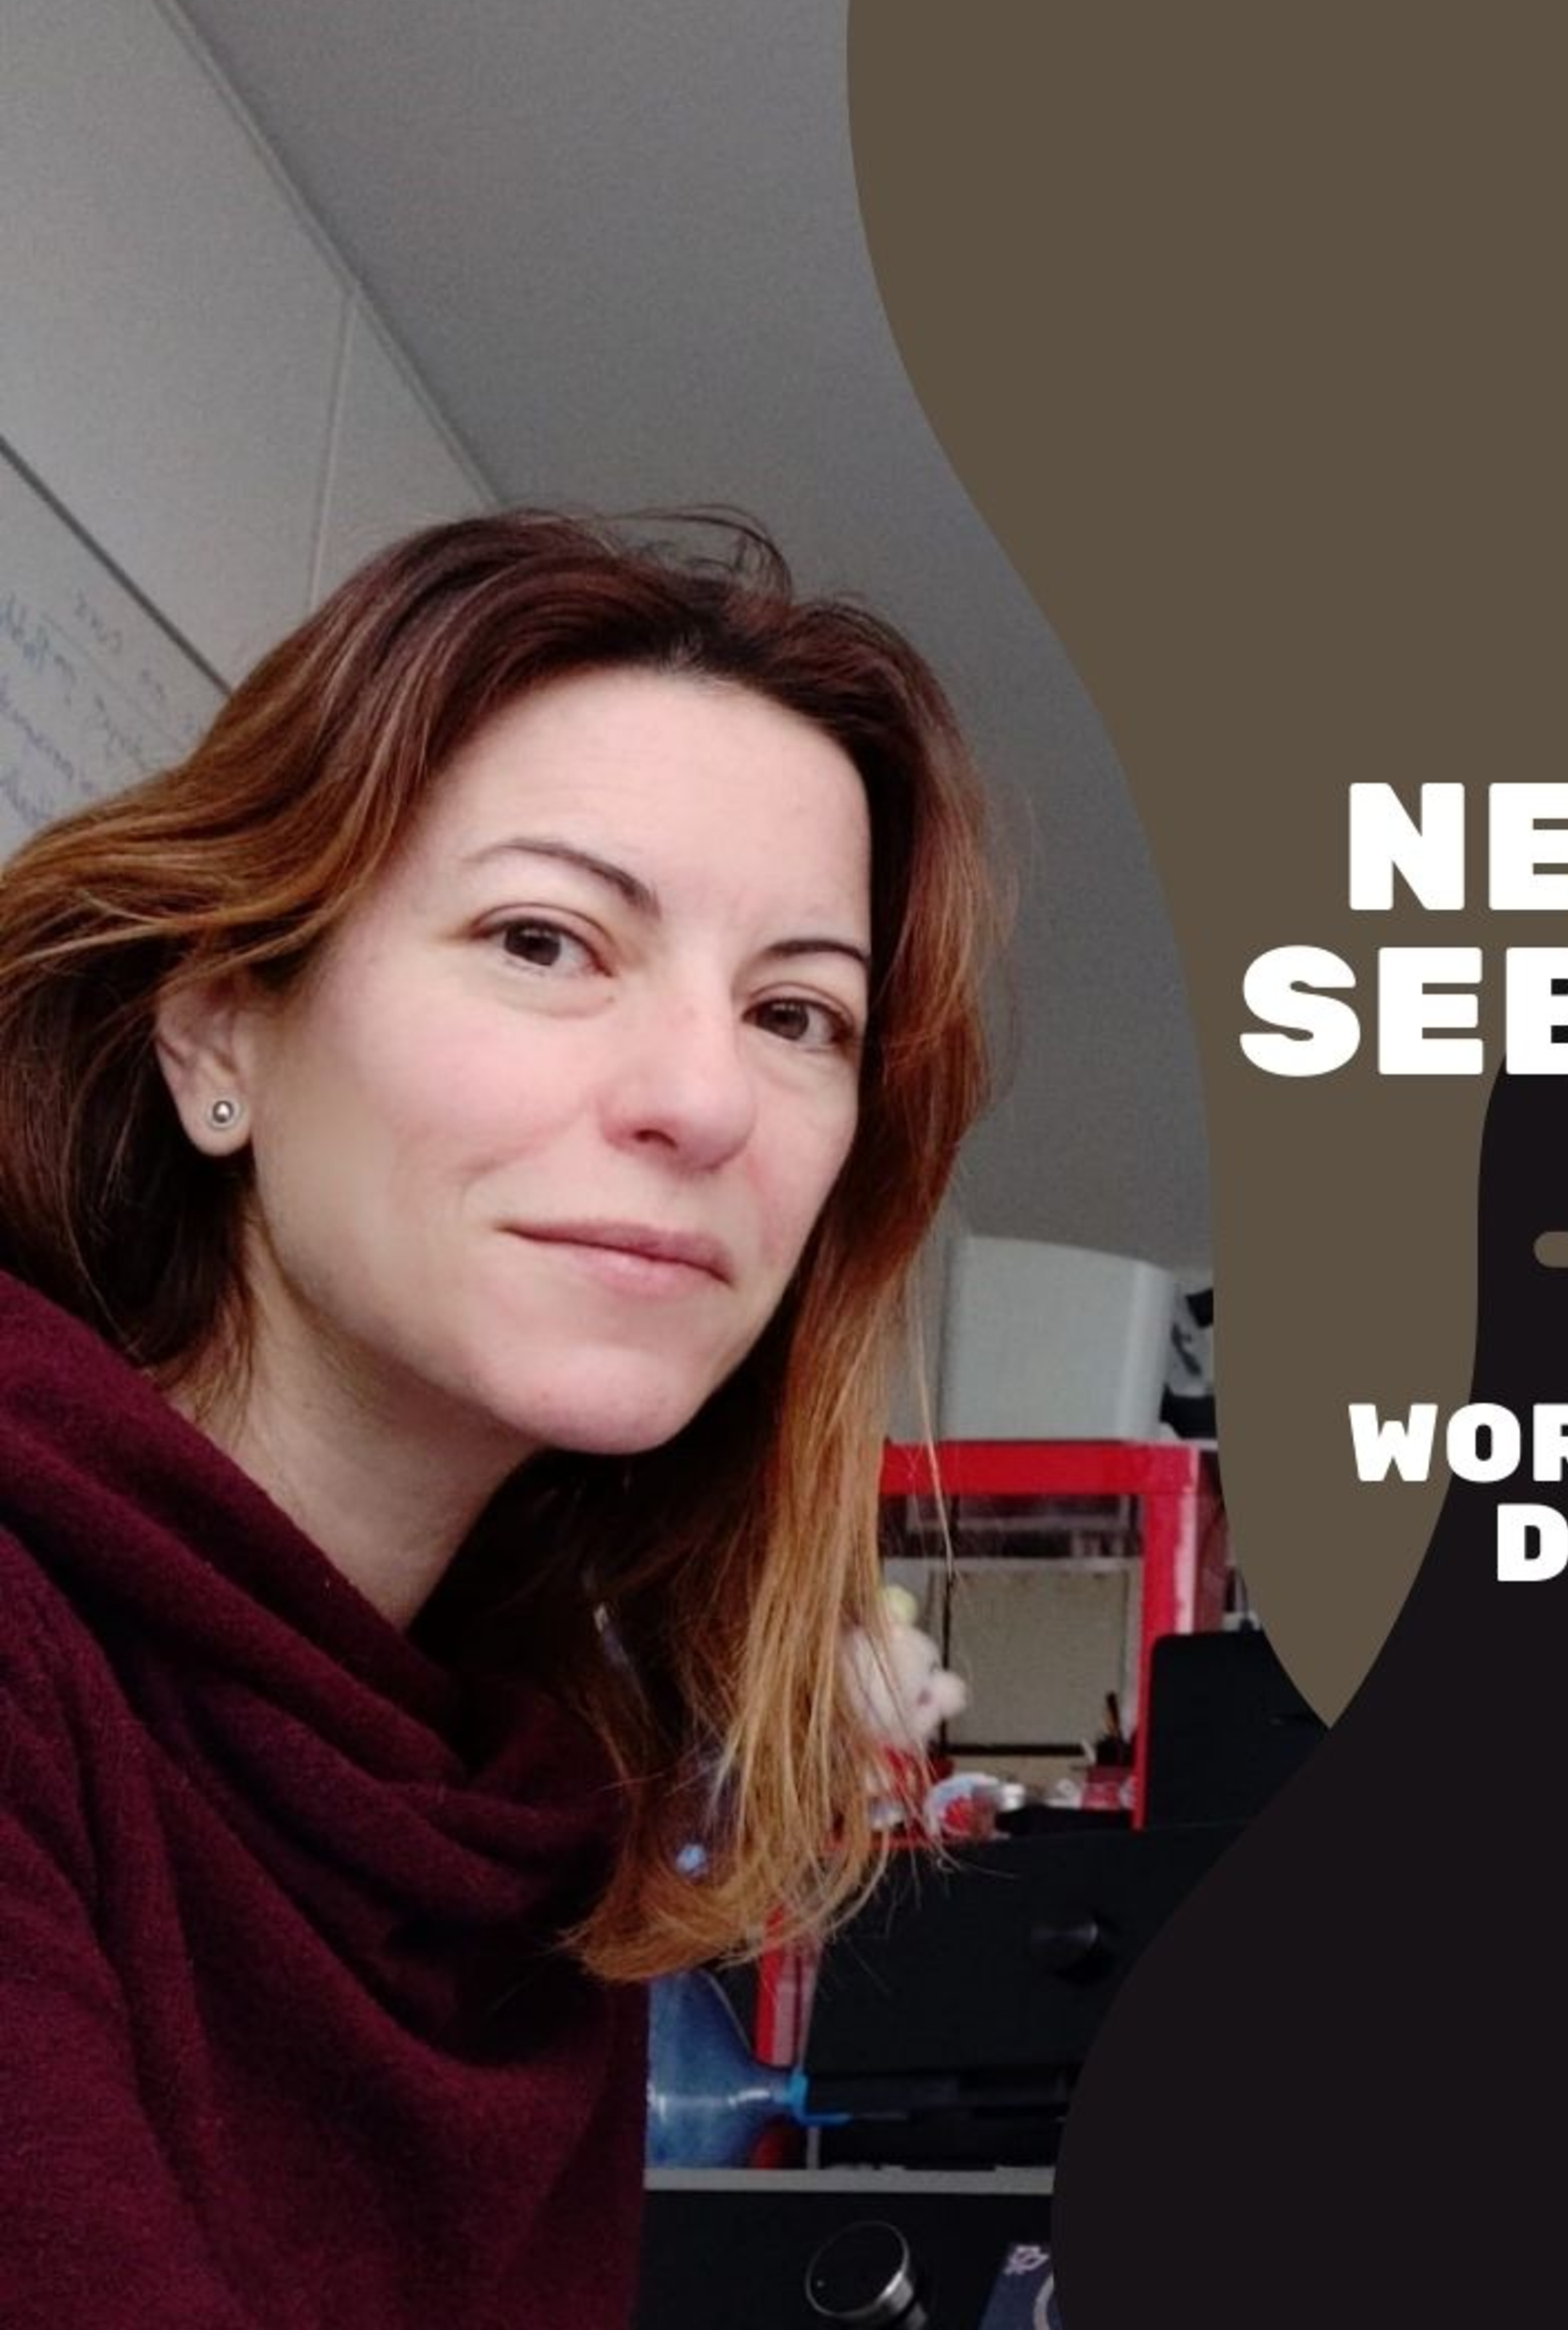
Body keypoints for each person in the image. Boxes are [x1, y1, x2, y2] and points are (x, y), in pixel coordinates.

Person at [0, 511, 994, 2328]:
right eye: (546, 940)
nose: (705, 1099)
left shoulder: (520, 1828)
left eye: (796, 1014)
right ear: (220, 1031)